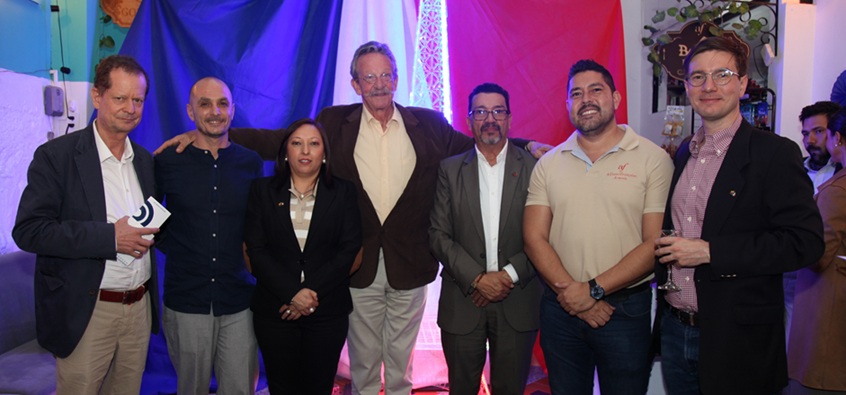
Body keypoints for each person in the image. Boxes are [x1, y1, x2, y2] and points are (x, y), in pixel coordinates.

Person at [155, 41, 548, 395]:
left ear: (395, 79)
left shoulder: (428, 124)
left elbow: (479, 145)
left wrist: (527, 145)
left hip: (410, 265)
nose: (378, 84)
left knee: (399, 368)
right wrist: (211, 137)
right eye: (368, 77)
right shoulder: (333, 123)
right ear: (356, 84)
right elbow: (280, 139)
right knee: (361, 367)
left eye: (385, 75)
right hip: (356, 267)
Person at [654, 36, 824, 395]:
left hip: (737, 338)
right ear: (686, 87)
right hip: (675, 329)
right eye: (698, 77)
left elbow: (805, 243)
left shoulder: (774, 154)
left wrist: (711, 251)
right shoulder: (685, 152)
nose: (709, 86)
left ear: (743, 84)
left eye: (723, 74)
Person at [523, 59, 673, 395]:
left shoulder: (653, 159)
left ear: (616, 98)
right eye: (576, 93)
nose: (586, 98)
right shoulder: (548, 164)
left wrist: (592, 291)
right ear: (567, 105)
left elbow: (654, 244)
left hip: (624, 310)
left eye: (596, 90)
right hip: (560, 308)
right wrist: (574, 294)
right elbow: (534, 238)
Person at [12, 55, 160, 394]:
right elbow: (29, 230)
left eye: (137, 100)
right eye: (120, 98)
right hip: (88, 311)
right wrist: (109, 237)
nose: (130, 108)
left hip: (138, 312)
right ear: (97, 97)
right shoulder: (57, 157)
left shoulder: (146, 161)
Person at [429, 83, 542, 395]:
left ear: (508, 118)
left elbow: (546, 235)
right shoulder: (449, 170)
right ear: (469, 120)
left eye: (498, 111)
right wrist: (478, 279)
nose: (490, 118)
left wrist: (506, 276)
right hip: (463, 301)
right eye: (481, 111)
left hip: (517, 299)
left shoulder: (536, 168)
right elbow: (438, 235)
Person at [155, 77, 262, 395]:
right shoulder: (167, 161)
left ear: (232, 110)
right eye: (205, 104)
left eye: (223, 104)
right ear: (190, 111)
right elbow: (146, 216)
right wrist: (178, 247)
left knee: (241, 388)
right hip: (187, 301)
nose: (215, 111)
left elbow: (258, 225)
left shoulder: (250, 163)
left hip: (239, 300)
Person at [245, 118, 361, 395]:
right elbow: (256, 250)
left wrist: (309, 294)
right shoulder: (261, 191)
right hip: (276, 312)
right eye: (297, 143)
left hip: (327, 312)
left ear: (324, 154)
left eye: (313, 144)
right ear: (286, 152)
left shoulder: (344, 192)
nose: (305, 151)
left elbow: (349, 249)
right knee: (282, 387)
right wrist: (292, 293)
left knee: (318, 387)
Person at [786, 108, 846, 395]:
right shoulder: (796, 169)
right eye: (805, 133)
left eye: (820, 131)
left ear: (837, 137)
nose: (810, 139)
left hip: (826, 301)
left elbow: (818, 253)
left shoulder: (836, 188)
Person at [799, 101, 842, 193]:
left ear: (836, 134)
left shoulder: (843, 171)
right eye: (805, 134)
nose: (809, 140)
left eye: (818, 131)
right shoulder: (793, 168)